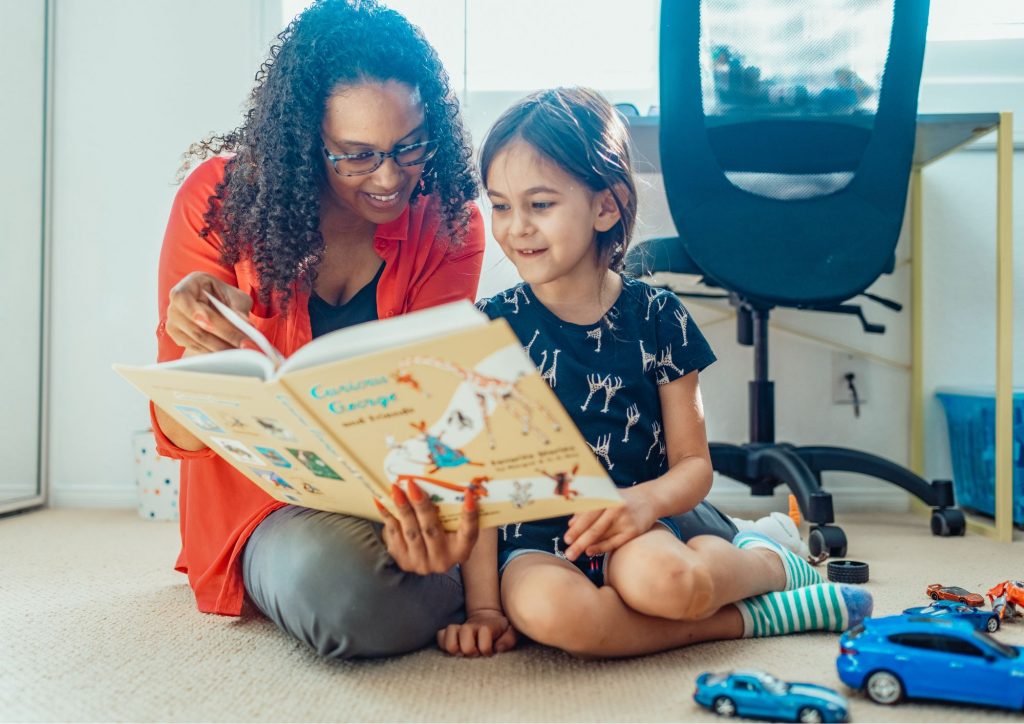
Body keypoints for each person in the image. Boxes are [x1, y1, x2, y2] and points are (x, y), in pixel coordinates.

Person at [436, 88, 872, 658]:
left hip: (635, 524)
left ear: (606, 206)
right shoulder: (487, 330)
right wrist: (486, 610)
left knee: (671, 586)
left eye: (539, 205)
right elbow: (478, 483)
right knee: (554, 617)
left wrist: (641, 504)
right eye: (499, 205)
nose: (515, 228)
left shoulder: (659, 316)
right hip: (535, 543)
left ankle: (766, 562)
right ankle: (756, 619)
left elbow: (695, 467)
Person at [152, 0, 486, 659]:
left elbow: (433, 406)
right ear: (308, 140)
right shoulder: (217, 203)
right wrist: (196, 343)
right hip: (269, 508)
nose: (389, 177)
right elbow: (181, 434)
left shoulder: (449, 221)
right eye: (356, 156)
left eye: (410, 147)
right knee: (342, 594)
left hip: (397, 488)